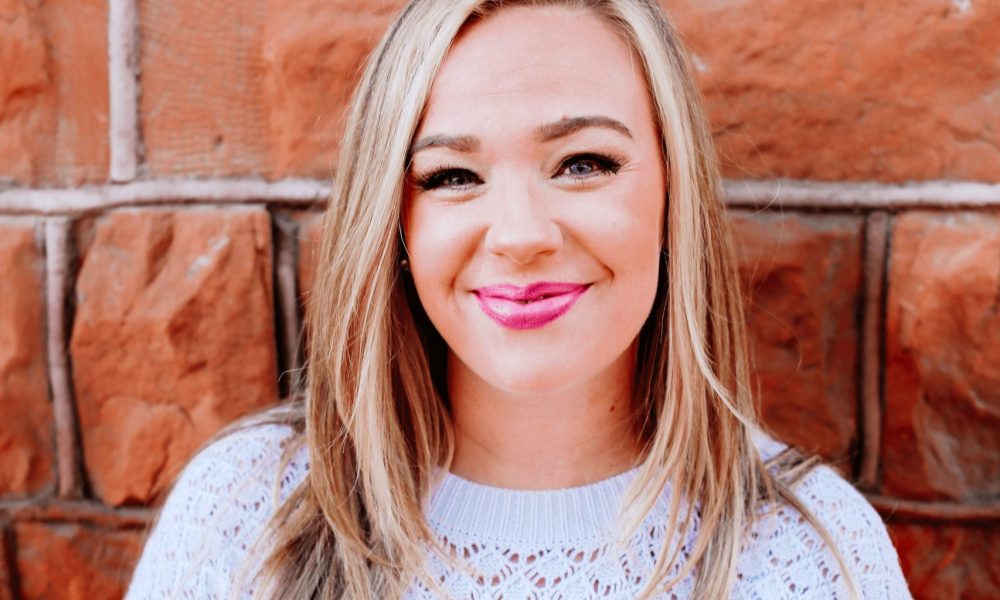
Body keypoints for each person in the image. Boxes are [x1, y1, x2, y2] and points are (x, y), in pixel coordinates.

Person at [126, 1, 912, 598]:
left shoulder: (813, 557)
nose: (521, 235)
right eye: (452, 176)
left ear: (674, 192)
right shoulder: (248, 515)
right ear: (393, 221)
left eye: (583, 163)